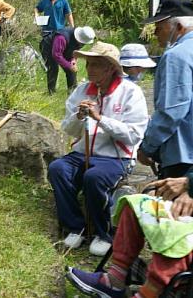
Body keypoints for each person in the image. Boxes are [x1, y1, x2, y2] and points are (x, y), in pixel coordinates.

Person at [48, 42, 149, 257]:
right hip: (81, 152)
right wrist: (79, 117)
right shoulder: (82, 90)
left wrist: (100, 119)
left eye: (95, 65)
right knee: (58, 168)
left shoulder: (131, 92)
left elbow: (133, 135)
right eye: (88, 64)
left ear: (110, 68)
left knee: (94, 177)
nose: (89, 69)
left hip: (116, 157)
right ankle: (76, 227)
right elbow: (68, 128)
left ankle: (104, 233)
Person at [67, 164, 193, 298]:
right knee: (136, 205)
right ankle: (114, 279)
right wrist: (180, 186)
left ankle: (147, 294)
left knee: (174, 236)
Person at [138, 0, 193, 200]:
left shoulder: (177, 55)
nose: (155, 33)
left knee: (179, 225)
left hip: (185, 157)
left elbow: (171, 111)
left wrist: (147, 147)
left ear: (177, 27)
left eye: (159, 27)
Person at [42, 25, 95, 94]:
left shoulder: (80, 40)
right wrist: (69, 66)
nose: (83, 45)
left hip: (63, 48)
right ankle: (51, 92)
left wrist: (73, 61)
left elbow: (74, 51)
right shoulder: (61, 38)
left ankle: (73, 91)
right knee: (53, 68)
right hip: (48, 46)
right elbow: (56, 55)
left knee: (72, 70)